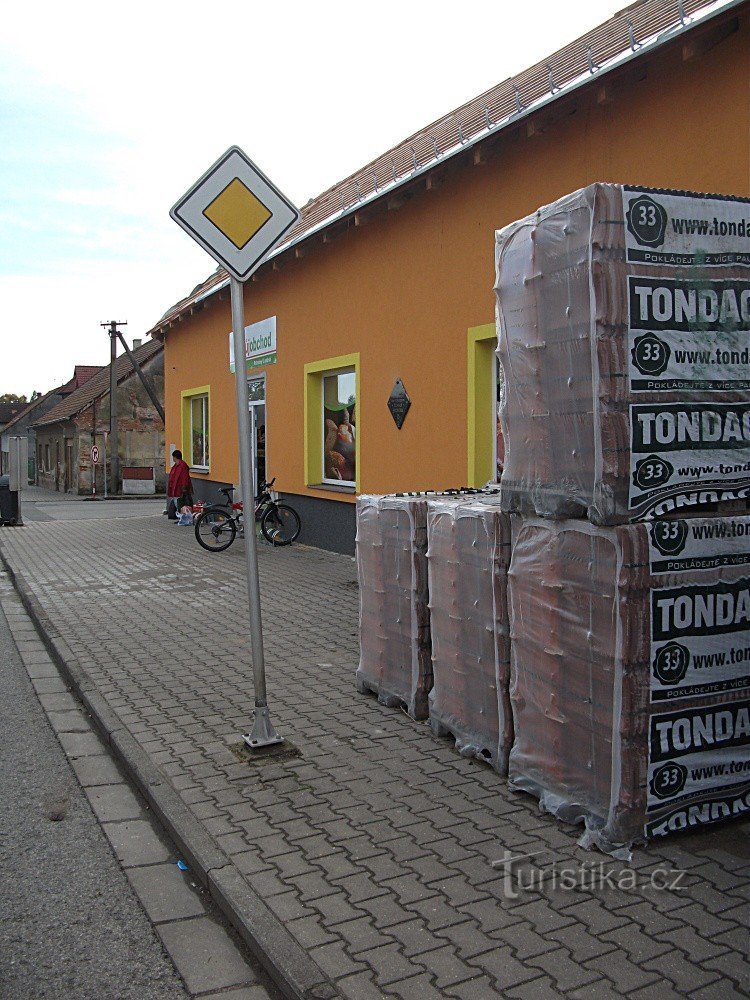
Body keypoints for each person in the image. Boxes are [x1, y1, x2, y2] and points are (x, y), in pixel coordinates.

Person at [166, 450, 193, 520]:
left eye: (173, 457)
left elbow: (185, 477)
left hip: (179, 488)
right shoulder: (176, 465)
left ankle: (182, 518)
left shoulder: (182, 465)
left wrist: (184, 488)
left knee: (180, 504)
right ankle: (181, 518)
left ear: (175, 457)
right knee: (177, 503)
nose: (173, 458)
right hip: (175, 488)